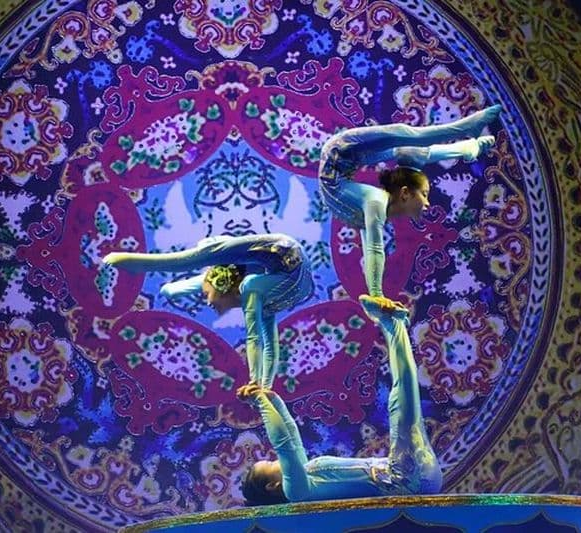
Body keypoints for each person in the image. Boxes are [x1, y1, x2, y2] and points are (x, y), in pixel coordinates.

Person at [240, 295, 440, 504]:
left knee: (401, 402)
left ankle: (395, 323)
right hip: (406, 482)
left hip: (409, 475)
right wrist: (261, 403)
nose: (276, 460)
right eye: (271, 464)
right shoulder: (296, 492)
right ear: (273, 486)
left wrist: (272, 401)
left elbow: (290, 434)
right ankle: (393, 323)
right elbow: (283, 444)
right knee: (400, 405)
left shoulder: (306, 477)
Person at [318, 105, 502, 314]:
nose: (427, 204)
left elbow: (372, 249)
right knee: (406, 137)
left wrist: (376, 296)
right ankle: (466, 132)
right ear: (405, 193)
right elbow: (374, 249)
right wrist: (377, 296)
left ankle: (467, 142)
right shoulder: (375, 201)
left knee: (408, 147)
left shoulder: (374, 202)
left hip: (341, 158)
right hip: (341, 157)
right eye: (424, 194)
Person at [103, 233, 313, 395]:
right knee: (195, 268)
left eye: (206, 292)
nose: (206, 302)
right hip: (288, 269)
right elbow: (269, 345)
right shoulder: (264, 297)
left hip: (284, 258)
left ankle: (132, 263)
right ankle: (160, 278)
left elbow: (255, 337)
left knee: (199, 258)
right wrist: (264, 387)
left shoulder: (252, 289)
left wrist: (256, 383)